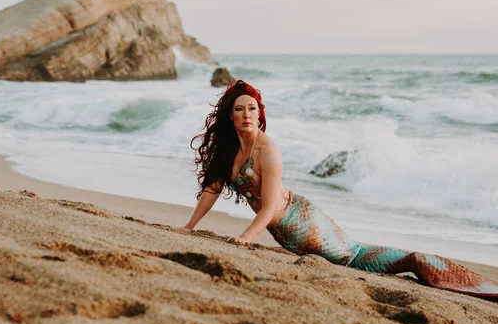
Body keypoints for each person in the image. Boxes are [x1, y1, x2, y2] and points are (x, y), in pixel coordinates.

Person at [179, 80, 498, 300]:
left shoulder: (268, 151)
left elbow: (268, 207)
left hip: (303, 223)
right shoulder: (229, 150)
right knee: (361, 256)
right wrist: (190, 226)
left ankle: (472, 284)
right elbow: (212, 188)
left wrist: (246, 238)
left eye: (252, 108)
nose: (246, 114)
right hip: (285, 233)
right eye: (239, 109)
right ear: (230, 115)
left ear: (260, 114)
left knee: (357, 257)